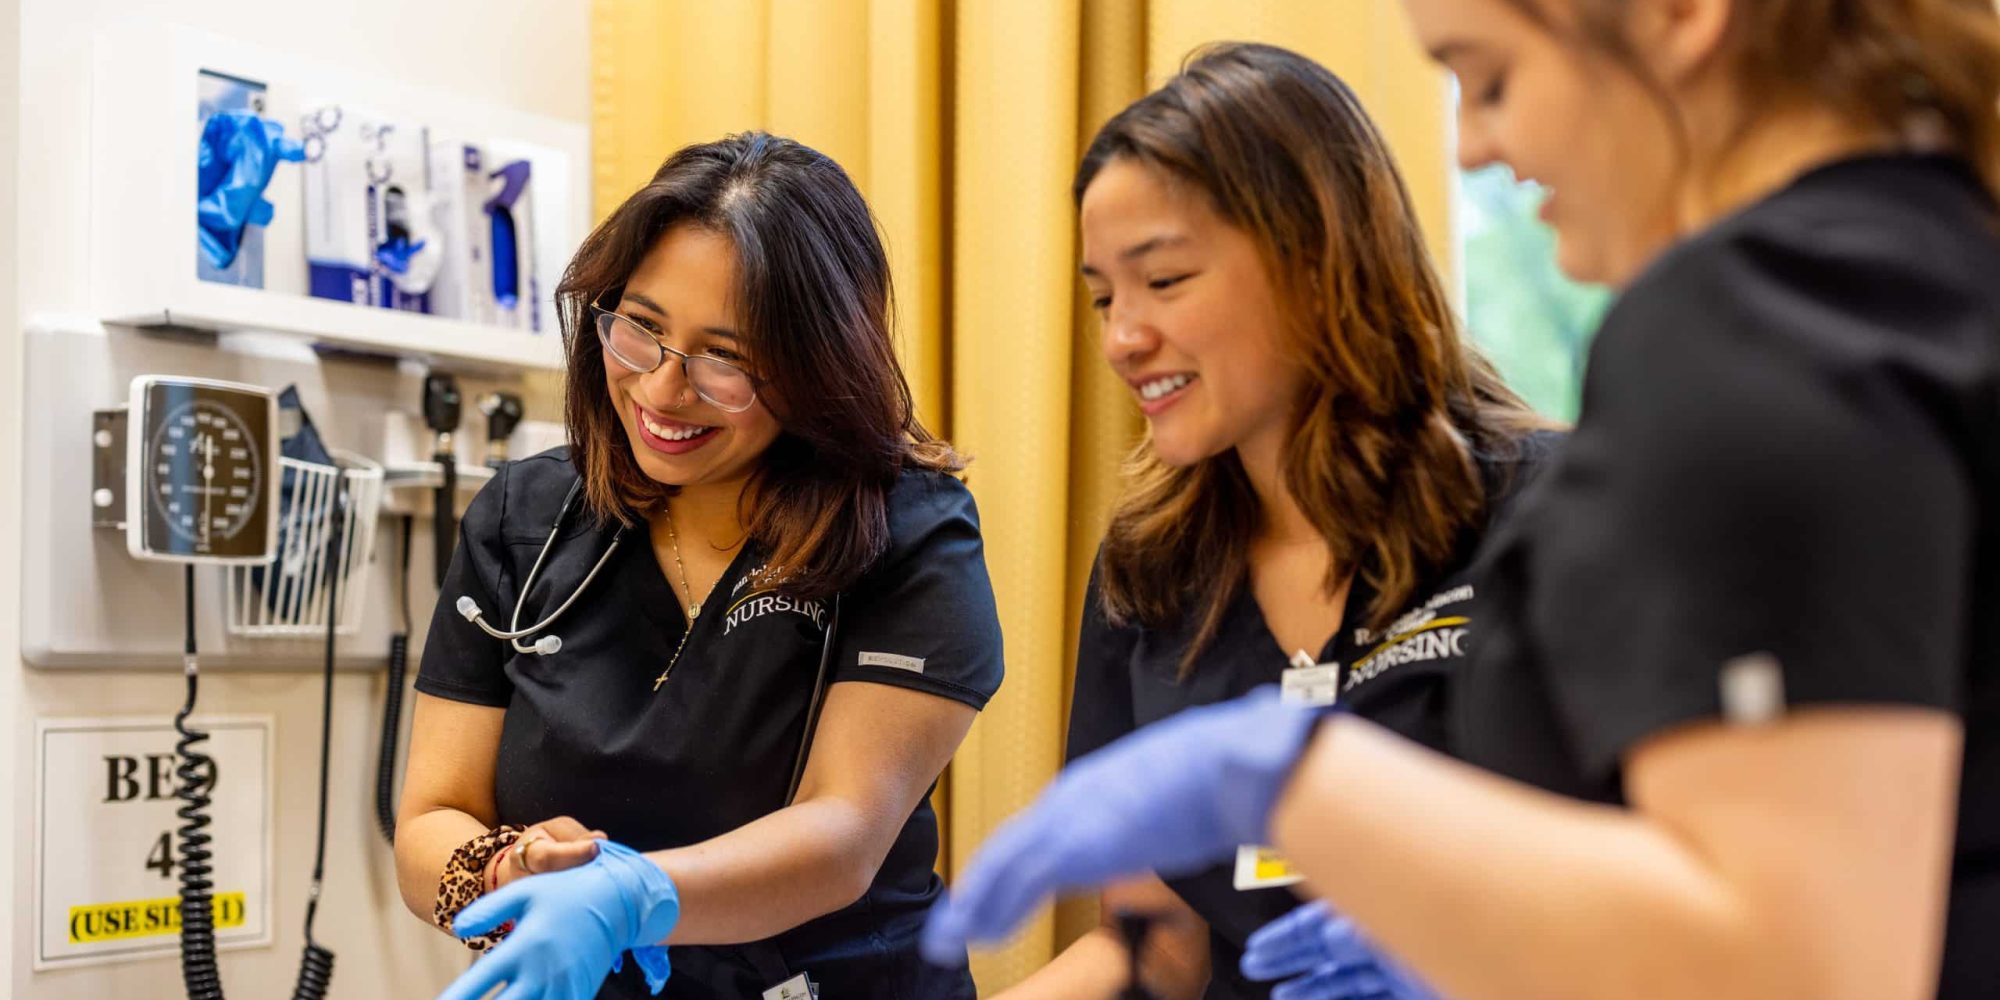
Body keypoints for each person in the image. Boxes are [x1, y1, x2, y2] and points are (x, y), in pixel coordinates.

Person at [923, 2, 2000, 999]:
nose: (1475, 146)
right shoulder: (1926, 272)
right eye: (1103, 296)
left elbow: (1796, 962)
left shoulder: (1749, 331)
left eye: (1486, 80)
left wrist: (1301, 787)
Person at [994, 43, 1557, 1000]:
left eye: (1163, 281)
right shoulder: (1149, 573)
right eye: (1102, 296)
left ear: (1316, 259)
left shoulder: (1545, 513)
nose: (1122, 337)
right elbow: (1155, 951)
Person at [395, 131, 1004, 1000]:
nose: (661, 390)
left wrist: (628, 896)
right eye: (640, 329)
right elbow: (429, 819)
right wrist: (508, 868)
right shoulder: (522, 519)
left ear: (816, 365)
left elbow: (843, 835)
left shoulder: (906, 530)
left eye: (726, 359)